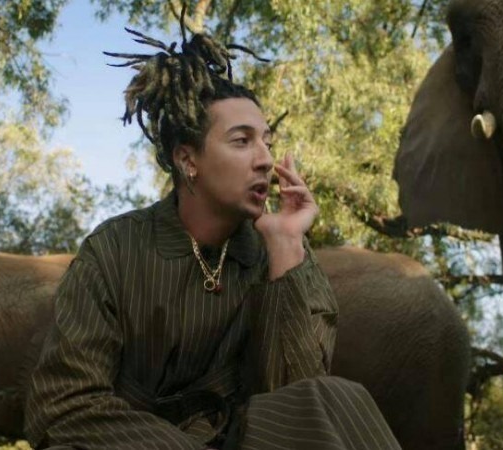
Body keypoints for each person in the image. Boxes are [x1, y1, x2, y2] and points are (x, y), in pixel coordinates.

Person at [23, 25, 401, 450]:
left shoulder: (277, 254)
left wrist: (286, 245)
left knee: (336, 397)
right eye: (242, 141)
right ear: (188, 160)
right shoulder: (113, 249)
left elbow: (302, 402)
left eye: (267, 142)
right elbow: (64, 406)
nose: (265, 160)